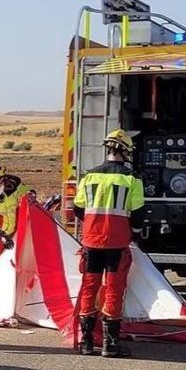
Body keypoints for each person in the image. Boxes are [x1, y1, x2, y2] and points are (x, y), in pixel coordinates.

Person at [73, 129, 145, 357]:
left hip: (92, 241)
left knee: (89, 286)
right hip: (117, 242)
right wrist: (135, 233)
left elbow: (78, 208)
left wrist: (93, 225)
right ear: (125, 151)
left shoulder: (89, 176)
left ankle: (85, 342)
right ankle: (110, 344)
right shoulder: (131, 179)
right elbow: (138, 214)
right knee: (114, 289)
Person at [0, 159, 35, 270]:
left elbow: (25, 191)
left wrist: (31, 194)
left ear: (2, 177)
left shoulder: (14, 183)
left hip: (15, 227)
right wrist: (1, 235)